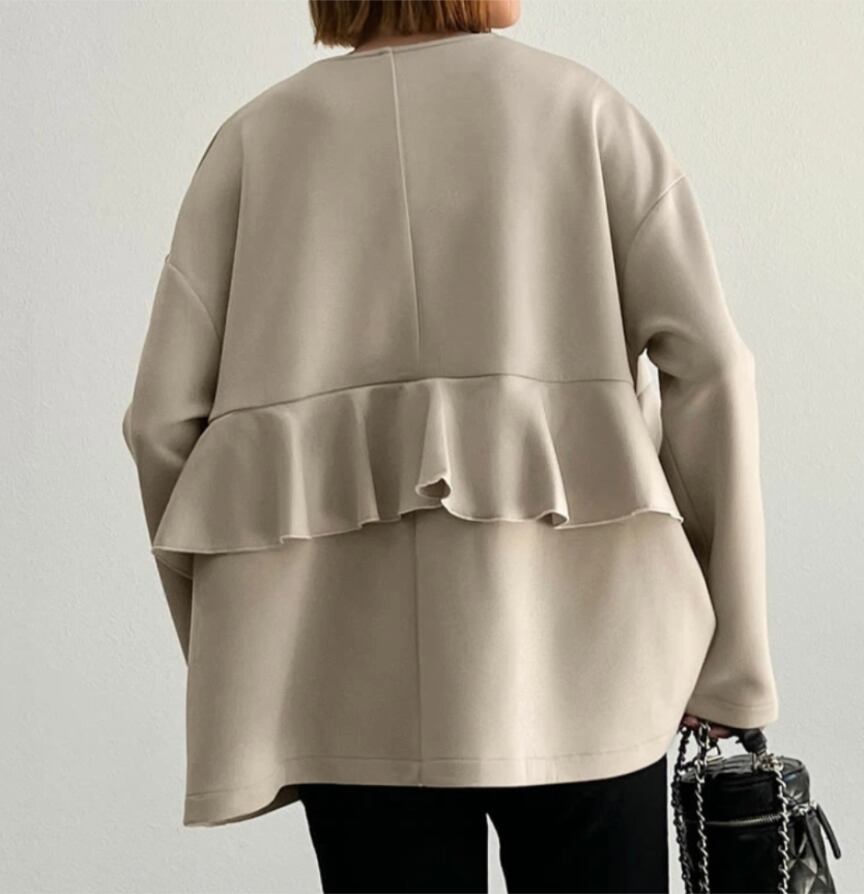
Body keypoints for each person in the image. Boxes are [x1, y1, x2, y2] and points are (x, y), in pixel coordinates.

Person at [120, 0, 780, 890]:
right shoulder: (585, 113)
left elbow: (158, 424)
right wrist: (733, 668)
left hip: (340, 682)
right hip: (591, 659)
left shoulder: (253, 142)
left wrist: (244, 647)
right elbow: (712, 373)